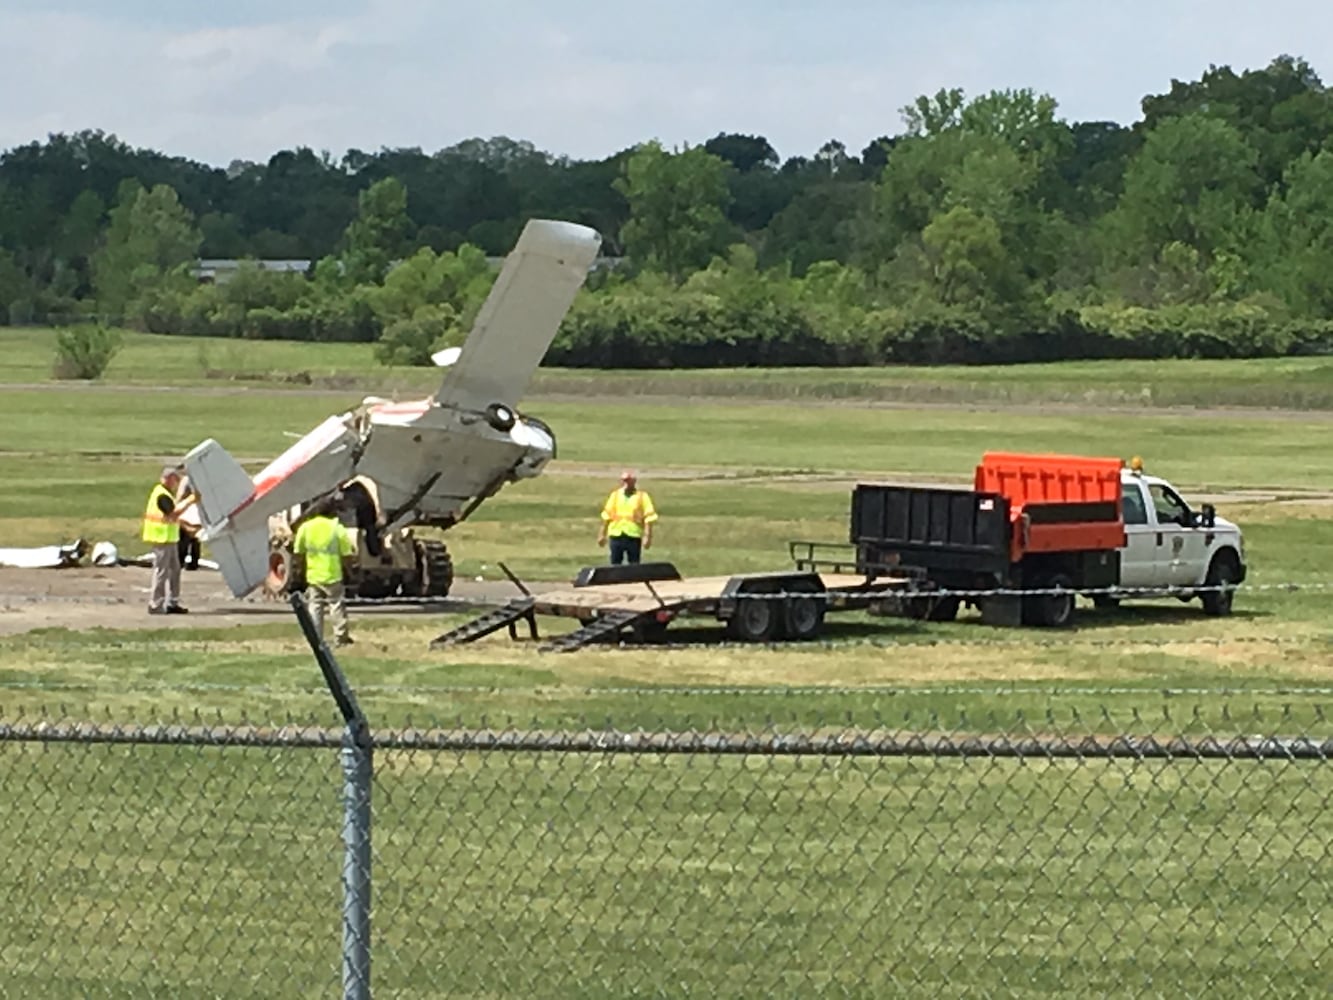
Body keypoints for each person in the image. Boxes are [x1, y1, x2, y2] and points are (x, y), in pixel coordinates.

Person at [292, 498, 357, 647]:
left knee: (315, 606)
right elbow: (346, 554)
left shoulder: (306, 528)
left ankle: (315, 638)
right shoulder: (336, 528)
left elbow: (298, 553)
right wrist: (350, 572)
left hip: (313, 575)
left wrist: (299, 572)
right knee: (336, 606)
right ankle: (340, 638)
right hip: (333, 574)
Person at [142, 465, 188, 615]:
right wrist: (191, 501)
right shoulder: (161, 495)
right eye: (175, 480)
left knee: (175, 570)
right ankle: (155, 603)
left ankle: (173, 602)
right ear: (169, 479)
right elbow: (172, 513)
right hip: (161, 539)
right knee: (162, 572)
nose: (177, 483)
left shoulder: (165, 494)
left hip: (170, 538)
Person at [597, 469, 658, 565]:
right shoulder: (615, 495)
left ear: (634, 481)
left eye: (628, 480)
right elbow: (606, 515)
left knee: (634, 565)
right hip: (616, 534)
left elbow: (649, 518)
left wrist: (647, 537)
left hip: (633, 535)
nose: (625, 483)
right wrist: (602, 534)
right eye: (624, 480)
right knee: (615, 564)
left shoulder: (642, 496)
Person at [175, 474, 202, 571]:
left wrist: (176, 504)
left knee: (184, 537)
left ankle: (181, 561)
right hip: (198, 508)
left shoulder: (186, 479)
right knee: (196, 539)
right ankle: (194, 562)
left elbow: (180, 494)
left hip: (187, 508)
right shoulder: (201, 478)